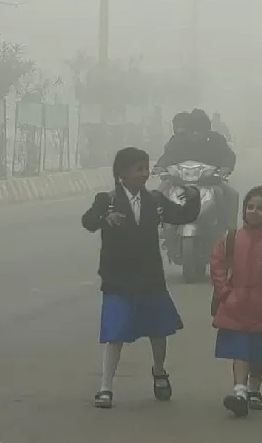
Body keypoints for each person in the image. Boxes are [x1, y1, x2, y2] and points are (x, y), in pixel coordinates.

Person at [81, 147, 201, 409]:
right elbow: (88, 221)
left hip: (150, 277)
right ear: (121, 173)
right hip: (118, 278)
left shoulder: (156, 201)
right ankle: (105, 387)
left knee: (158, 330)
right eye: (138, 169)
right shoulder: (107, 200)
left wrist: (193, 198)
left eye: (146, 169)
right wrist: (105, 217)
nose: (145, 174)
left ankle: (159, 372)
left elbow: (183, 216)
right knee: (115, 333)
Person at [210, 185, 262, 418]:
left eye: (260, 208)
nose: (254, 211)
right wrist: (225, 293)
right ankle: (239, 391)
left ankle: (254, 388)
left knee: (259, 349)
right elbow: (217, 265)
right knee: (240, 348)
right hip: (234, 304)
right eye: (250, 207)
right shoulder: (231, 238)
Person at [155, 109, 239, 229]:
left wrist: (226, 167)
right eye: (193, 128)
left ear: (207, 128)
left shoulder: (216, 139)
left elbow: (228, 154)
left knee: (232, 195)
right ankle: (159, 225)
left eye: (200, 129)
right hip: (179, 182)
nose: (196, 133)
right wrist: (160, 166)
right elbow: (167, 156)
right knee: (159, 192)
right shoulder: (178, 140)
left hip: (210, 182)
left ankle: (230, 229)